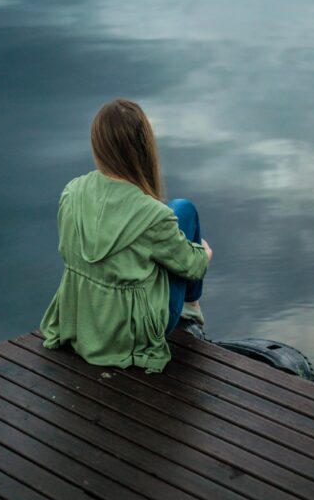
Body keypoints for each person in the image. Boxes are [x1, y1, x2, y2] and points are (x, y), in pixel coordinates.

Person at [39, 98, 213, 373]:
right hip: (130, 335)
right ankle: (191, 309)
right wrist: (204, 253)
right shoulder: (154, 215)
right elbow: (194, 267)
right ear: (144, 148)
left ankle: (188, 307)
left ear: (98, 145)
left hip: (83, 321)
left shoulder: (71, 192)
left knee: (174, 216)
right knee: (184, 209)